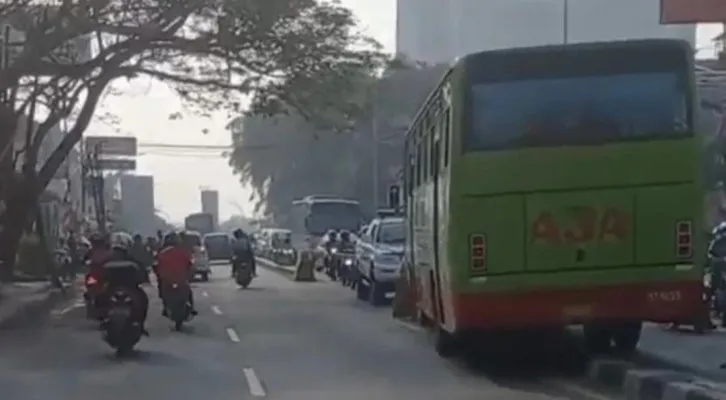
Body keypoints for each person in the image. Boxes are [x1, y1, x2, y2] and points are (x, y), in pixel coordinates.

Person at [100, 232, 150, 335]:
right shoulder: (132, 261)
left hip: (116, 289)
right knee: (143, 300)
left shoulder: (107, 261)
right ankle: (141, 325)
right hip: (127, 289)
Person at [156, 232, 197, 316]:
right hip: (178, 278)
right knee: (187, 291)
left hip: (169, 279)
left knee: (163, 290)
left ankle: (165, 307)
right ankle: (191, 307)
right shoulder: (182, 251)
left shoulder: (162, 252)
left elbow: (157, 265)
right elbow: (190, 264)